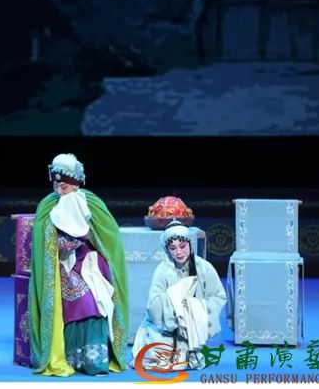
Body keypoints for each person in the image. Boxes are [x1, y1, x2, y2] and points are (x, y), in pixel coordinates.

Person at [28, 153, 129, 376]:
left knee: (96, 301)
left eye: (64, 187)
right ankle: (68, 356)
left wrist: (84, 239)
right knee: (78, 299)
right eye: (56, 185)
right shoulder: (48, 205)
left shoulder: (91, 203)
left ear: (75, 184)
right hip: (60, 266)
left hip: (89, 262)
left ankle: (95, 361)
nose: (59, 191)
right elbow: (43, 239)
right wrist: (60, 244)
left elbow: (108, 237)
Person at [131, 221, 227, 371]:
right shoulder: (162, 271)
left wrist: (197, 309)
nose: (179, 252)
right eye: (173, 248)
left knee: (183, 356)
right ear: (167, 250)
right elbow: (154, 304)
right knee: (160, 356)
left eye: (182, 246)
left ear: (190, 244)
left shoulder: (204, 268)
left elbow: (218, 296)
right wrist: (175, 308)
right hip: (164, 326)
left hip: (191, 326)